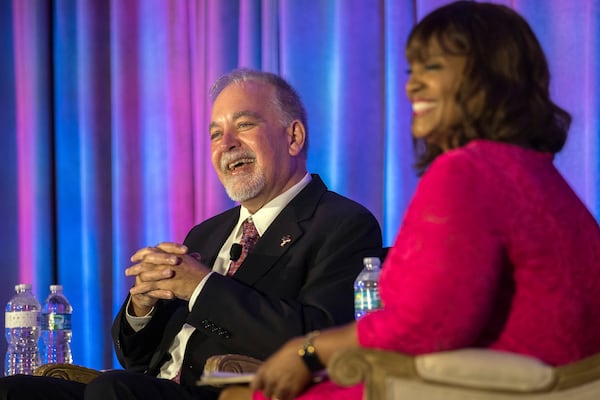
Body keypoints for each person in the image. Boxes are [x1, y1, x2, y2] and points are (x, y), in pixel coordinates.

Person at [219, 2, 600, 400]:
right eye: (411, 72)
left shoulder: (467, 171)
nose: (411, 86)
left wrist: (309, 351)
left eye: (431, 68)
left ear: (490, 76)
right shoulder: (537, 173)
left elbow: (426, 326)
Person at [0, 69, 382, 400]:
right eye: (216, 134)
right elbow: (137, 359)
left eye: (244, 125)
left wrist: (201, 287)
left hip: (227, 394)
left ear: (294, 137)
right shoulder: (207, 233)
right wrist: (142, 307)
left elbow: (319, 337)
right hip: (150, 389)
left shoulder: (341, 223)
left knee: (113, 391)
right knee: (15, 390)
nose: (226, 144)